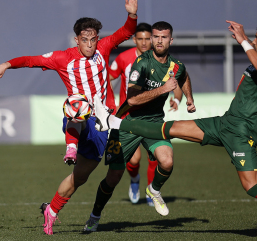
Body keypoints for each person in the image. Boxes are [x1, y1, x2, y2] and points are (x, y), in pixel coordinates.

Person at [94, 19, 257, 240]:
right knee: (171, 129)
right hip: (225, 123)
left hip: (242, 133)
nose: (253, 41)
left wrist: (242, 41)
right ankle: (114, 122)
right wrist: (188, 98)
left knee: (253, 186)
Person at [0, 0, 138, 235]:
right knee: (76, 104)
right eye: (84, 39)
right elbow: (31, 60)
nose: (89, 44)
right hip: (80, 119)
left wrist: (132, 14)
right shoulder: (62, 58)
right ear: (76, 40)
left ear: (97, 39)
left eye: (93, 39)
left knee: (82, 178)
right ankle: (71, 145)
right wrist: (6, 64)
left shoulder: (104, 47)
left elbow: (126, 31)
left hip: (105, 123)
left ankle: (53, 210)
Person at [83, 21, 195, 232]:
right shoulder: (141, 63)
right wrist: (163, 89)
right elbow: (133, 100)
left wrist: (187, 98)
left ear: (171, 40)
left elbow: (184, 76)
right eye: (156, 37)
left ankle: (154, 189)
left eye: (164, 37)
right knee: (113, 177)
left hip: (154, 123)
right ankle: (94, 216)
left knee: (167, 162)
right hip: (128, 123)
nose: (159, 41)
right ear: (151, 39)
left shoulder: (176, 64)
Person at [108, 22, 183, 206]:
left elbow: (178, 83)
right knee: (133, 160)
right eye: (139, 39)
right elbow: (107, 78)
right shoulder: (124, 59)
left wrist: (178, 99)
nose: (143, 43)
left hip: (153, 117)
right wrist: (109, 102)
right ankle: (134, 180)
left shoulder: (164, 62)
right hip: (128, 115)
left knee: (158, 157)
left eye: (146, 39)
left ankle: (151, 190)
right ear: (134, 40)